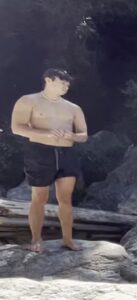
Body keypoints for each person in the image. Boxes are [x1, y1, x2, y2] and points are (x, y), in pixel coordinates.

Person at [10, 68, 88, 252]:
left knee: (65, 198)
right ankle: (36, 240)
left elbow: (83, 135)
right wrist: (45, 133)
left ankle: (68, 240)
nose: (66, 87)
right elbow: (17, 128)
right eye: (62, 83)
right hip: (39, 152)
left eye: (67, 84)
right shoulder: (28, 100)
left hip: (66, 154)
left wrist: (72, 136)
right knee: (39, 198)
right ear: (49, 80)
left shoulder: (73, 108)